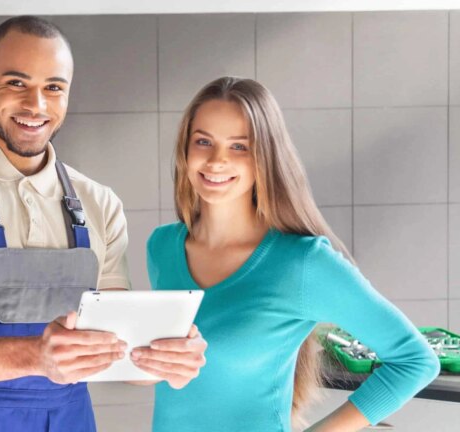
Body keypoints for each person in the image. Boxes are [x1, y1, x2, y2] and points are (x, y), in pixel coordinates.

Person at [0, 16, 206, 432]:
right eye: (16, 83)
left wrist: (167, 359)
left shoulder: (99, 203)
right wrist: (37, 356)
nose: (36, 105)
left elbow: (113, 347)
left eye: (53, 87)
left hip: (68, 420)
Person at [143, 77, 440, 432]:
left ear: (265, 158)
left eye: (239, 147)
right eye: (203, 141)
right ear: (185, 148)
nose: (217, 161)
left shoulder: (302, 263)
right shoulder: (162, 248)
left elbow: (416, 361)